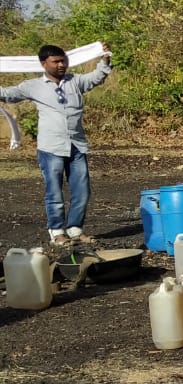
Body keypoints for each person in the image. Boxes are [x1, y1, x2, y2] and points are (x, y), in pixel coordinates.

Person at [0, 44, 111, 246]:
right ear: (44, 64)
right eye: (56, 61)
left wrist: (104, 60)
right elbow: (8, 94)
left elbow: (96, 78)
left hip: (76, 145)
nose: (62, 65)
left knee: (82, 191)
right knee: (54, 192)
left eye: (64, 60)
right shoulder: (32, 86)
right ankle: (57, 232)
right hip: (51, 148)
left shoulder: (75, 81)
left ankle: (75, 229)